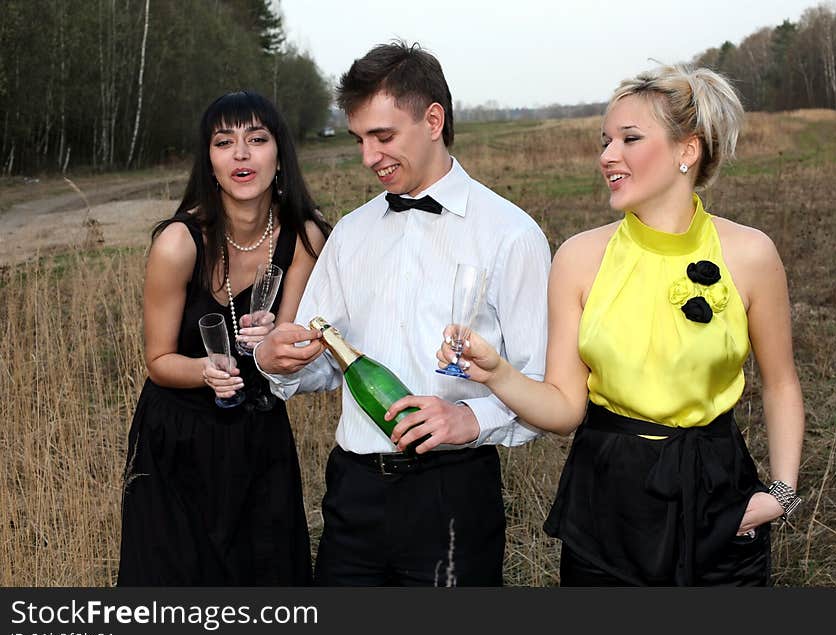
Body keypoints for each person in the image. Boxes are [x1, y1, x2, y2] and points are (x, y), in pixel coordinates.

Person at [433, 65, 805, 586]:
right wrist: (496, 372)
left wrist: (782, 493)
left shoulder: (750, 254)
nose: (607, 155)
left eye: (629, 138)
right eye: (605, 140)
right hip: (606, 504)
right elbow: (564, 410)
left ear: (687, 151)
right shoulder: (579, 258)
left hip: (718, 500)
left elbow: (782, 383)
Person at [255, 41, 551, 586]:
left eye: (383, 136)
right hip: (352, 494)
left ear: (433, 119)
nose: (368, 156)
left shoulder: (512, 235)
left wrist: (471, 419)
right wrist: (281, 362)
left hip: (454, 493)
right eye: (360, 139)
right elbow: (323, 359)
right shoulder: (350, 233)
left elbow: (541, 384)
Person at [117, 90, 329, 585]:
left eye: (256, 139)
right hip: (178, 439)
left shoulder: (306, 237)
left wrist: (281, 339)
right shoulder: (178, 243)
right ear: (208, 160)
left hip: (260, 438)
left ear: (279, 155)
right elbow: (158, 359)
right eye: (223, 141)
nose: (241, 154)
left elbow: (288, 346)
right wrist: (204, 371)